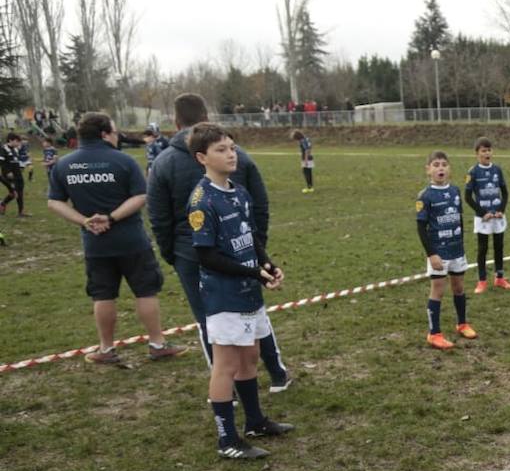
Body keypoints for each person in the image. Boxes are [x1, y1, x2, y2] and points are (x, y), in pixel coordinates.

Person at [147, 93, 292, 390]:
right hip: (218, 253)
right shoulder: (233, 155)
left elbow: (158, 217)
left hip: (198, 254)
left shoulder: (162, 163)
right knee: (250, 312)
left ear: (176, 122)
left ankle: (236, 385)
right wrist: (256, 246)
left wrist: (172, 253)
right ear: (206, 117)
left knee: (214, 320)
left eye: (229, 149)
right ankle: (268, 376)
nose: (229, 153)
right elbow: (261, 206)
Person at [186, 122, 293, 460]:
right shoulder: (202, 201)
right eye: (221, 150)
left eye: (232, 148)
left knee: (250, 356)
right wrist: (252, 272)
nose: (231, 154)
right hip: (224, 296)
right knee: (226, 364)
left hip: (249, 291)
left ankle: (255, 422)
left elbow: (251, 236)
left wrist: (267, 265)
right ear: (202, 158)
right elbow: (206, 256)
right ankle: (227, 439)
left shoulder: (240, 191)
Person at [46, 112, 189, 364]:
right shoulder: (124, 161)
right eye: (114, 132)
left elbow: (54, 202)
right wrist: (111, 218)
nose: (117, 136)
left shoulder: (64, 164)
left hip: (95, 243)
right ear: (104, 134)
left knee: (102, 296)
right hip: (131, 240)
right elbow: (141, 196)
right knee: (145, 292)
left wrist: (85, 221)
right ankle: (157, 344)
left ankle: (106, 349)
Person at [416, 150, 477, 348]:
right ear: (428, 170)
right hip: (439, 252)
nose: (440, 168)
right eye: (436, 165)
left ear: (449, 168)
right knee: (438, 290)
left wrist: (461, 242)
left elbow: (459, 218)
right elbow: (421, 228)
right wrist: (431, 254)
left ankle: (462, 324)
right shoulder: (425, 196)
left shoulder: (455, 191)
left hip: (456, 249)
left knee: (459, 287)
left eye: (444, 164)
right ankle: (434, 333)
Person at [464, 137, 510, 293]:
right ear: (477, 153)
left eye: (489, 150)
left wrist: (501, 210)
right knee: (482, 248)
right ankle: (482, 281)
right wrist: (482, 213)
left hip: (497, 216)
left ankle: (500, 278)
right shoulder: (473, 172)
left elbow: (505, 193)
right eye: (483, 151)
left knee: (499, 247)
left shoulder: (497, 170)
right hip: (483, 218)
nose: (487, 153)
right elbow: (467, 197)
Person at [0, 133, 26, 216]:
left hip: (18, 175)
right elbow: (2, 162)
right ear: (10, 140)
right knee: (15, 193)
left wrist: (21, 167)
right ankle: (3, 204)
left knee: (19, 193)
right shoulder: (4, 149)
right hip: (8, 176)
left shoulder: (15, 150)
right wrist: (8, 172)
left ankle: (20, 212)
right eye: (17, 141)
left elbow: (17, 161)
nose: (18, 143)